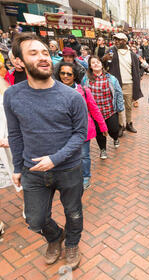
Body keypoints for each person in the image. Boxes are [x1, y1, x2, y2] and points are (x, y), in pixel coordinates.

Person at [4, 33, 87, 269]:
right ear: (19, 62)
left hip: (68, 168)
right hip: (33, 171)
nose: (42, 57)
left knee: (74, 213)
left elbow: (80, 135)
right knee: (35, 220)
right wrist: (18, 167)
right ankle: (54, 237)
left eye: (44, 52)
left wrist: (55, 158)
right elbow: (15, 134)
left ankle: (72, 243)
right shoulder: (12, 95)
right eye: (33, 53)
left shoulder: (72, 96)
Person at [57, 61, 108, 189]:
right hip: (63, 132)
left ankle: (85, 176)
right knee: (67, 155)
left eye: (69, 73)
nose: (66, 76)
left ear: (75, 76)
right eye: (62, 73)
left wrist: (103, 126)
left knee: (84, 155)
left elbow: (94, 109)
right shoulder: (54, 91)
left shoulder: (84, 91)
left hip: (83, 130)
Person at [0, 69, 22, 243]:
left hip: (5, 146)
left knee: (18, 180)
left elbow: (14, 121)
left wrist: (10, 138)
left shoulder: (1, 97)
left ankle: (28, 206)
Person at [81, 56, 124, 160]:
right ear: (90, 66)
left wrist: (119, 107)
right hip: (95, 113)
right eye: (93, 62)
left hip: (110, 110)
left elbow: (118, 92)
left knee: (113, 129)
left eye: (98, 62)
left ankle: (115, 138)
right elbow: (82, 93)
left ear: (101, 64)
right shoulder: (86, 79)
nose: (96, 64)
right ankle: (103, 149)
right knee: (99, 133)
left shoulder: (111, 78)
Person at [102, 33, 143, 135]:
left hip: (129, 83)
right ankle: (121, 125)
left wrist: (137, 85)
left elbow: (136, 71)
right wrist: (104, 59)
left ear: (125, 41)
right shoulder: (111, 51)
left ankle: (129, 123)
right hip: (116, 83)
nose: (116, 41)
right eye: (115, 39)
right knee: (119, 106)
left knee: (129, 106)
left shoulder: (132, 54)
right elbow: (104, 64)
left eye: (118, 40)